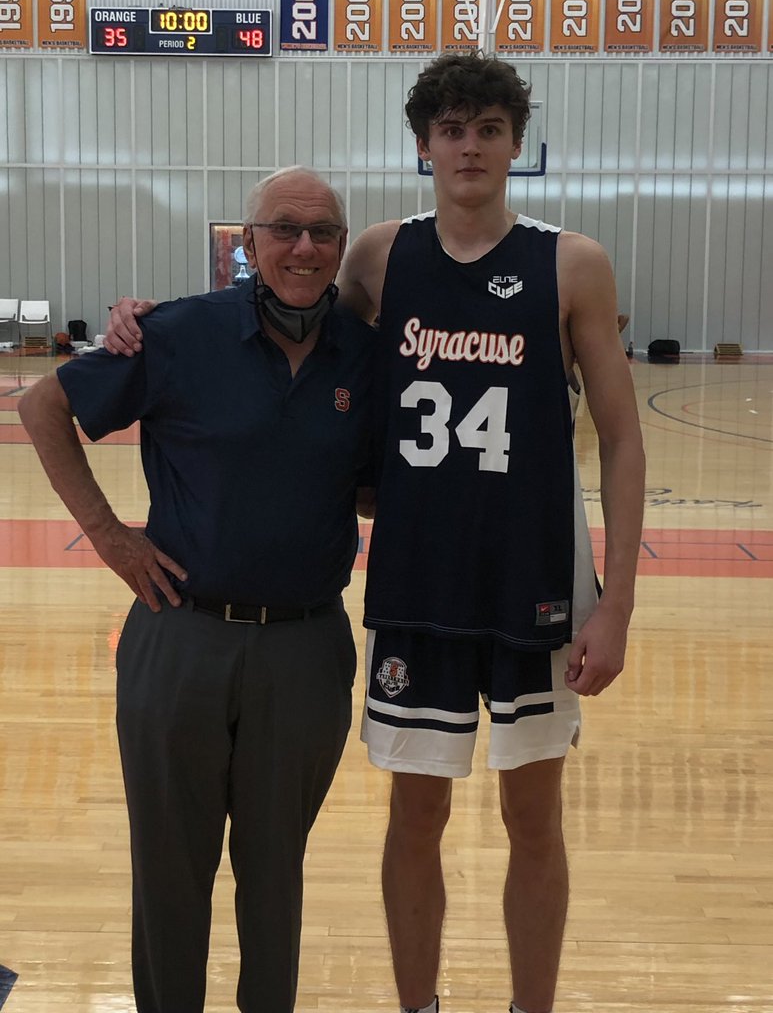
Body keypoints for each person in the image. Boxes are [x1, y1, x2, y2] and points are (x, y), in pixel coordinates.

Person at [106, 54, 645, 1013]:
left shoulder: (571, 263)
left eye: (488, 129)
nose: (469, 147)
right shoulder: (379, 256)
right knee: (416, 812)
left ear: (516, 145)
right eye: (451, 130)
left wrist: (616, 609)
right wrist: (156, 318)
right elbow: (291, 332)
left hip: (535, 578)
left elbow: (622, 436)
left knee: (534, 816)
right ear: (423, 146)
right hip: (416, 579)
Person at [18, 167, 376, 1013]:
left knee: (275, 875)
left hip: (306, 648)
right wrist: (110, 537)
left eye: (323, 232)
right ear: (247, 243)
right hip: (180, 633)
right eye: (284, 229)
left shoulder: (368, 357)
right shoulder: (179, 332)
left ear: (340, 246)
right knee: (170, 873)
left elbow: (371, 490)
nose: (304, 247)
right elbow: (42, 407)